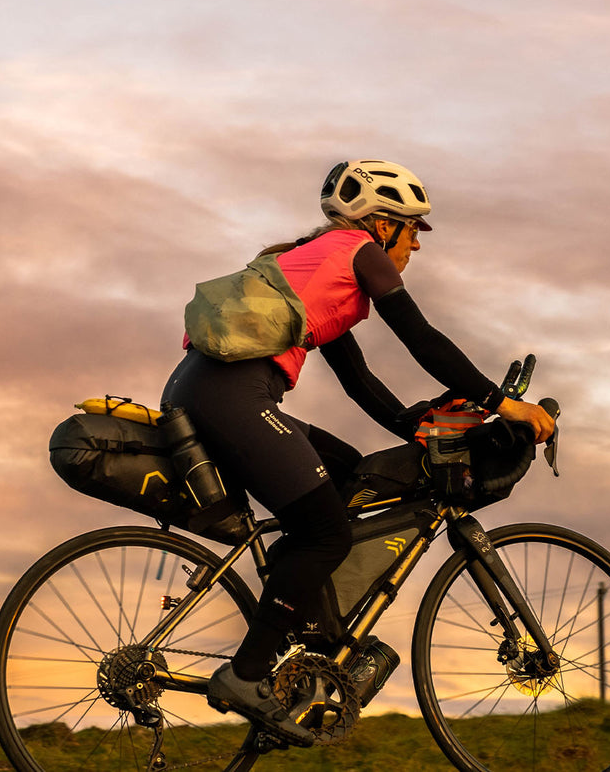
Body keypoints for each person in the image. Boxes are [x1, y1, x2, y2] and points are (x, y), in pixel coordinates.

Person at [162, 159, 556, 745]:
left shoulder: (316, 266)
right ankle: (247, 675)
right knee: (327, 531)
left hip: (209, 390)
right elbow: (422, 338)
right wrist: (504, 405)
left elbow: (359, 381)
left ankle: (312, 632)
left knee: (348, 470)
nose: (417, 243)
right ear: (381, 222)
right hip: (231, 395)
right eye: (413, 227)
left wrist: (415, 429)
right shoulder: (360, 252)